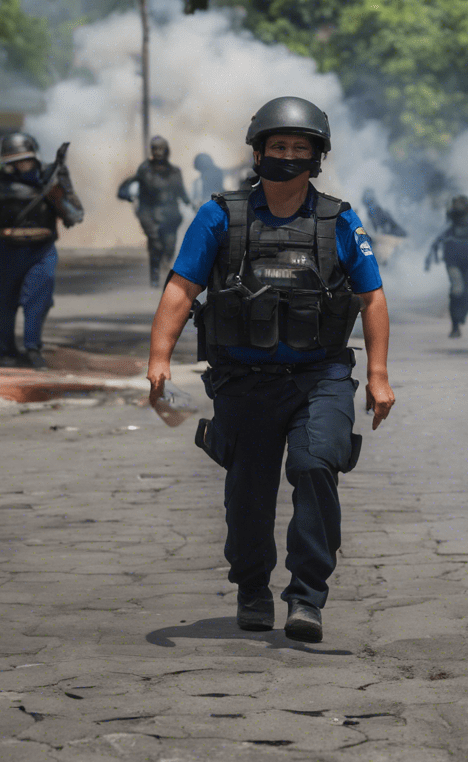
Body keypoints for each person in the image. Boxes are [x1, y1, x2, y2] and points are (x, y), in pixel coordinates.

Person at [146, 96, 396, 642]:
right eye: (277, 146)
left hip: (321, 376)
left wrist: (377, 376)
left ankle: (307, 596)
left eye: (298, 148)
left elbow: (371, 297)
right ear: (257, 152)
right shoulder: (219, 217)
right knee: (248, 491)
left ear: (317, 156)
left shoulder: (340, 220)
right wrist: (159, 359)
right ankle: (252, 587)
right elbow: (182, 287)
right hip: (245, 381)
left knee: (315, 467)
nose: (287, 155)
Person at [0, 133, 83, 369]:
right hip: (5, 250)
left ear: (34, 157)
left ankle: (33, 348)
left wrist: (58, 199)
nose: (20, 165)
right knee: (6, 302)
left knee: (38, 300)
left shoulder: (50, 183)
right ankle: (6, 350)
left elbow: (73, 215)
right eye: (14, 161)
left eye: (25, 159)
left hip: (41, 250)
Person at [118, 136, 191, 287]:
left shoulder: (175, 172)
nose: (158, 152)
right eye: (155, 149)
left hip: (171, 214)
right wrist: (126, 194)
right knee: (156, 244)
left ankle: (165, 266)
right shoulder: (145, 170)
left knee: (170, 245)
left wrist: (191, 204)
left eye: (161, 149)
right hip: (149, 212)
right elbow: (130, 185)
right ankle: (155, 276)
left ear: (166, 150)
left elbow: (181, 192)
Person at [426, 195, 468, 338]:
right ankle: (455, 326)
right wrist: (431, 257)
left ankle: (460, 317)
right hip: (453, 262)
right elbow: (436, 242)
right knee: (457, 290)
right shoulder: (449, 226)